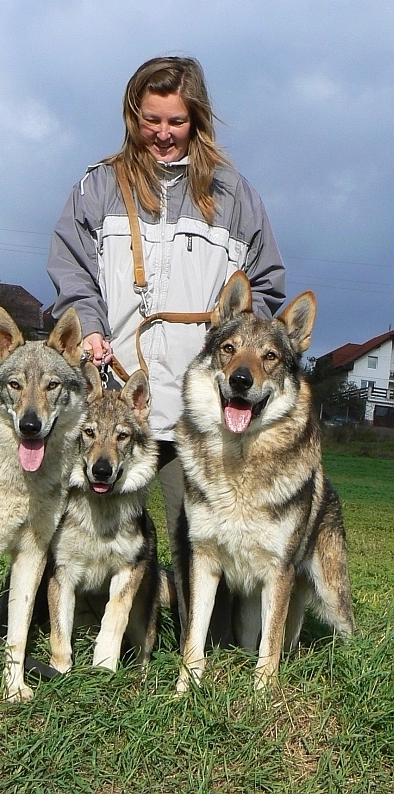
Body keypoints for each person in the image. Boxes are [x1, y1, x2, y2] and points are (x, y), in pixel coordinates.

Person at [47, 56, 286, 642]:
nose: (161, 133)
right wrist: (90, 327)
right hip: (112, 395)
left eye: (175, 121)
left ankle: (209, 652)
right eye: (150, 119)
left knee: (197, 538)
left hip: (196, 413)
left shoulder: (235, 196)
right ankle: (51, 636)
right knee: (73, 526)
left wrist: (240, 355)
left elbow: (270, 290)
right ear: (133, 115)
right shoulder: (97, 185)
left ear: (197, 119)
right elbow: (72, 273)